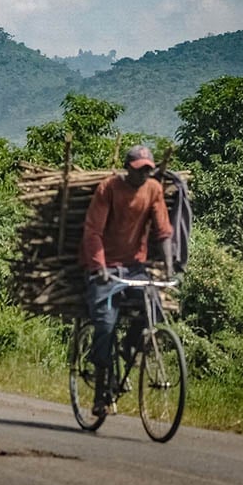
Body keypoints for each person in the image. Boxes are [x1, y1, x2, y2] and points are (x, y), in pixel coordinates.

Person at [79, 145, 174, 417]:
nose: (143, 174)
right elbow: (93, 231)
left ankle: (130, 344)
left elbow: (163, 231)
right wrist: (100, 268)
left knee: (153, 306)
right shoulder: (108, 189)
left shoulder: (153, 189)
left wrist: (168, 266)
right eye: (138, 169)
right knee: (105, 327)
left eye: (147, 169)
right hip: (105, 269)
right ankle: (101, 396)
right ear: (127, 168)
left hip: (134, 268)